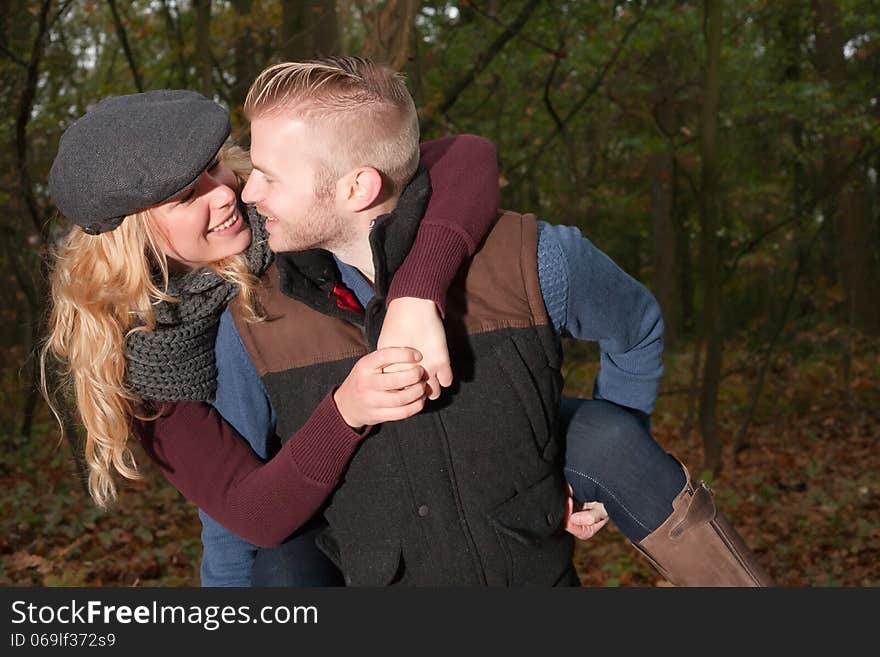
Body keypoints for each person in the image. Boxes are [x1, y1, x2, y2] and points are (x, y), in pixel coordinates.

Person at [202, 57, 773, 586]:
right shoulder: (254, 317)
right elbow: (233, 510)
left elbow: (637, 324)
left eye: (270, 176)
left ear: (358, 187)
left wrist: (601, 458)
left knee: (608, 435)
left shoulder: (534, 259)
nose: (248, 193)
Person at [40, 89, 506, 552]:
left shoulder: (290, 208)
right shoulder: (146, 362)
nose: (225, 193)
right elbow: (249, 515)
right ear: (131, 239)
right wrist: (345, 411)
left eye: (212, 167)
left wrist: (416, 296)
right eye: (187, 197)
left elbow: (463, 155)